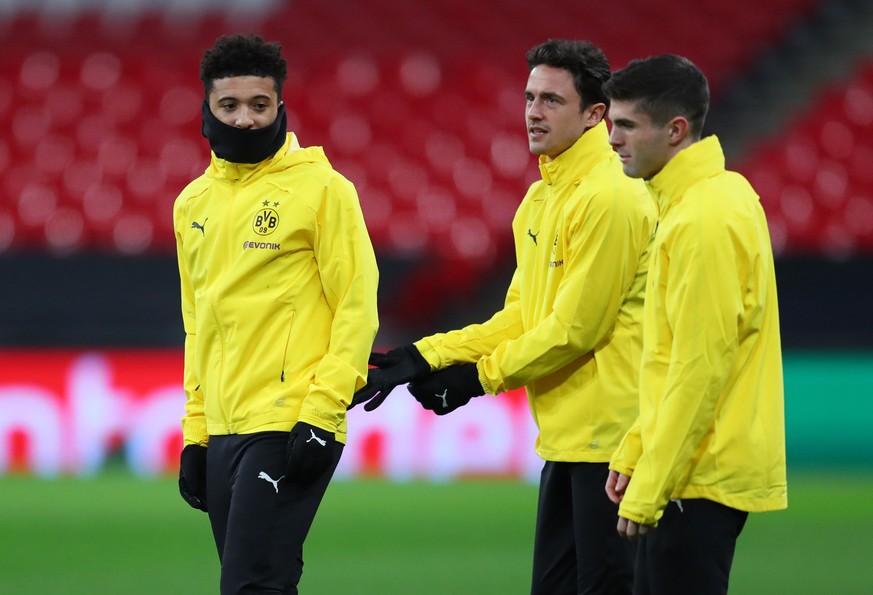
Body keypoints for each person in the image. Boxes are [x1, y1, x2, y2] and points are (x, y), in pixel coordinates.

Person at [352, 39, 657, 594]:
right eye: (529, 97)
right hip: (568, 442)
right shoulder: (542, 200)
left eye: (551, 101)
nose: (534, 112)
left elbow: (575, 329)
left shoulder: (611, 198)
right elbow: (521, 315)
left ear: (595, 115)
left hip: (615, 443)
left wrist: (478, 378)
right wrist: (427, 355)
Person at [173, 33, 379, 594]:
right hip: (222, 428)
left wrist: (324, 410)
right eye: (230, 106)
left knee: (250, 584)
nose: (244, 119)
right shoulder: (191, 204)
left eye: (259, 106)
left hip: (291, 421)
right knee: (264, 582)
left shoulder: (324, 190)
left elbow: (357, 308)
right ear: (207, 110)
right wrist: (195, 432)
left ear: (281, 108)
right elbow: (199, 326)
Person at [602, 54, 787, 595]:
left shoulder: (702, 218)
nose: (612, 138)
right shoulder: (709, 198)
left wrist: (651, 484)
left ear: (676, 130)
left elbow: (698, 366)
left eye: (627, 125)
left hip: (696, 477)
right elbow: (672, 356)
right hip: (691, 470)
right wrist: (639, 444)